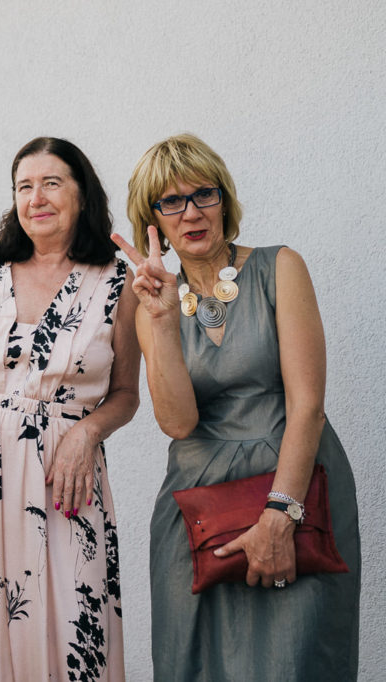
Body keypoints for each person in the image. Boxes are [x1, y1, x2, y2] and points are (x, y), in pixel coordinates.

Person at [113, 133, 361, 680]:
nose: (192, 212)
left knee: (297, 659)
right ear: (150, 221)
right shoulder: (149, 301)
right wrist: (159, 320)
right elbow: (177, 422)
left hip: (295, 493)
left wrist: (279, 514)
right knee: (196, 664)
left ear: (224, 199)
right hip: (199, 510)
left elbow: (308, 407)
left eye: (204, 193)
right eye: (171, 201)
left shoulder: (280, 267)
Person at [0, 137, 140, 681]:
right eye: (24, 186)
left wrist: (88, 434)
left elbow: (126, 394)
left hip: (62, 481)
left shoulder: (119, 280)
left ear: (81, 195)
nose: (36, 197)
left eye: (51, 183)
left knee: (68, 625)